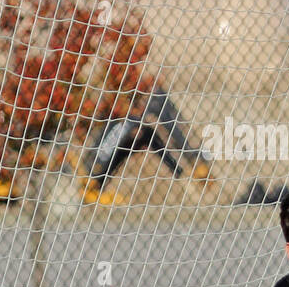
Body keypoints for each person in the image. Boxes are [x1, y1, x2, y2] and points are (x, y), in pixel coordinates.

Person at [81, 85, 212, 206]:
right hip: (101, 158)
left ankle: (183, 167)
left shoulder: (141, 122)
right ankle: (95, 182)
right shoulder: (122, 122)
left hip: (135, 127)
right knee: (146, 128)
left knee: (149, 130)